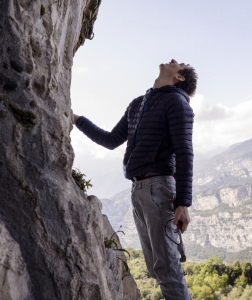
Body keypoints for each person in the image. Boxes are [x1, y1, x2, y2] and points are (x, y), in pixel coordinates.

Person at [73, 59, 197, 299]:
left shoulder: (177, 103)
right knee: (156, 268)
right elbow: (110, 140)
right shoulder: (138, 103)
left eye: (178, 63)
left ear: (179, 77)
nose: (172, 60)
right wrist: (76, 119)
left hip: (159, 188)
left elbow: (185, 152)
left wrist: (183, 203)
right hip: (138, 190)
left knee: (167, 269)